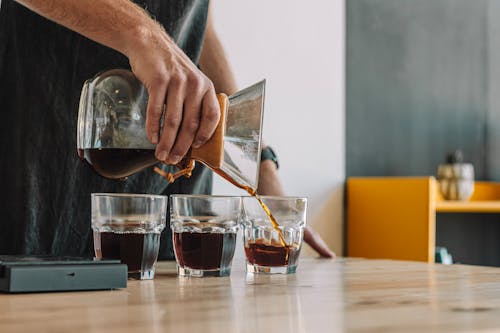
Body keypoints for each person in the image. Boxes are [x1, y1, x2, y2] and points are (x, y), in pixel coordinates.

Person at [1, 0, 334, 258]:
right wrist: (142, 34)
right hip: (49, 153)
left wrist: (256, 158)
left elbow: (201, 24)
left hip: (171, 183)